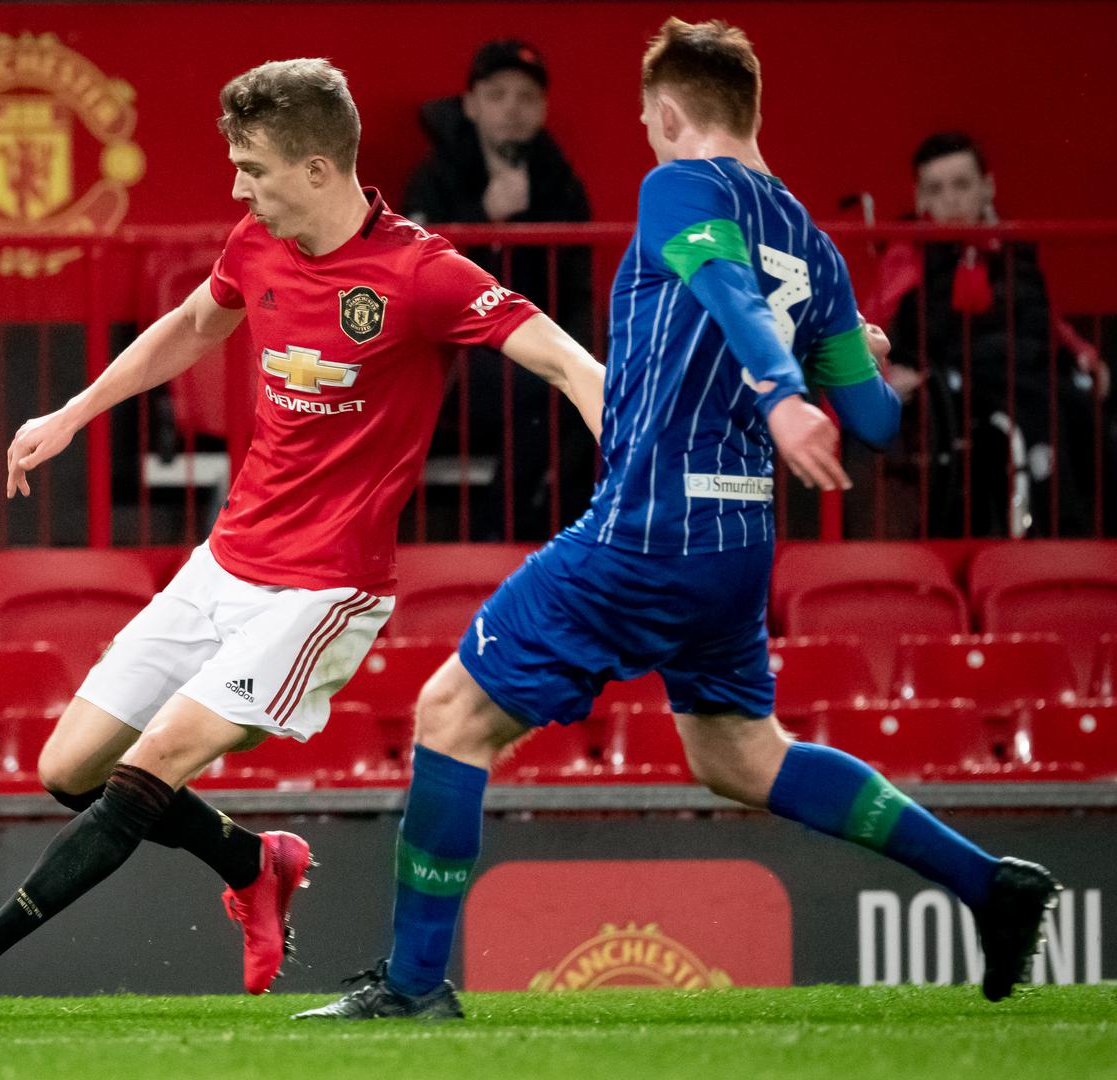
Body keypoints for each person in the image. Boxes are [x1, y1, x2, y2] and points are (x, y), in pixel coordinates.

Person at [297, 19, 1059, 1022]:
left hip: (651, 531)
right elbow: (877, 419)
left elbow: (723, 284)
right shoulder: (816, 246)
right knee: (737, 756)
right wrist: (848, 356)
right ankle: (988, 884)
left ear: (669, 117)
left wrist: (784, 389)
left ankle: (412, 986)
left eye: (650, 124)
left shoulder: (679, 187)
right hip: (739, 546)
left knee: (449, 716)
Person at [0, 58, 606, 1015]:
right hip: (226, 562)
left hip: (326, 589)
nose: (239, 188)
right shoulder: (257, 242)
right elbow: (193, 324)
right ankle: (253, 860)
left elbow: (565, 361)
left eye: (254, 169)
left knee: (149, 767)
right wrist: (75, 411)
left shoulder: (421, 273)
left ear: (318, 169)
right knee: (69, 769)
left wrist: (633, 467)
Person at [864, 131, 1108, 537]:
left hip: (1034, 372)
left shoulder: (1017, 251)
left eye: (962, 185)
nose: (951, 200)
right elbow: (871, 325)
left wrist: (1084, 354)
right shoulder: (907, 257)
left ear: (987, 187)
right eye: (936, 189)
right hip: (964, 384)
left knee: (1087, 409)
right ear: (920, 197)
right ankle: (1060, 531)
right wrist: (888, 375)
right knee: (1035, 409)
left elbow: (1050, 321)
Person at [404, 39, 596, 539]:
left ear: (543, 109)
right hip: (453, 362)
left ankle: (544, 539)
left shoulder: (562, 184)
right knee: (547, 389)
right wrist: (483, 220)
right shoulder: (434, 178)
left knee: (587, 388)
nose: (512, 108)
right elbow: (411, 277)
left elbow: (577, 292)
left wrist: (581, 361)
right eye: (497, 95)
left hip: (535, 351)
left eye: (527, 97)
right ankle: (501, 537)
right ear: (471, 105)